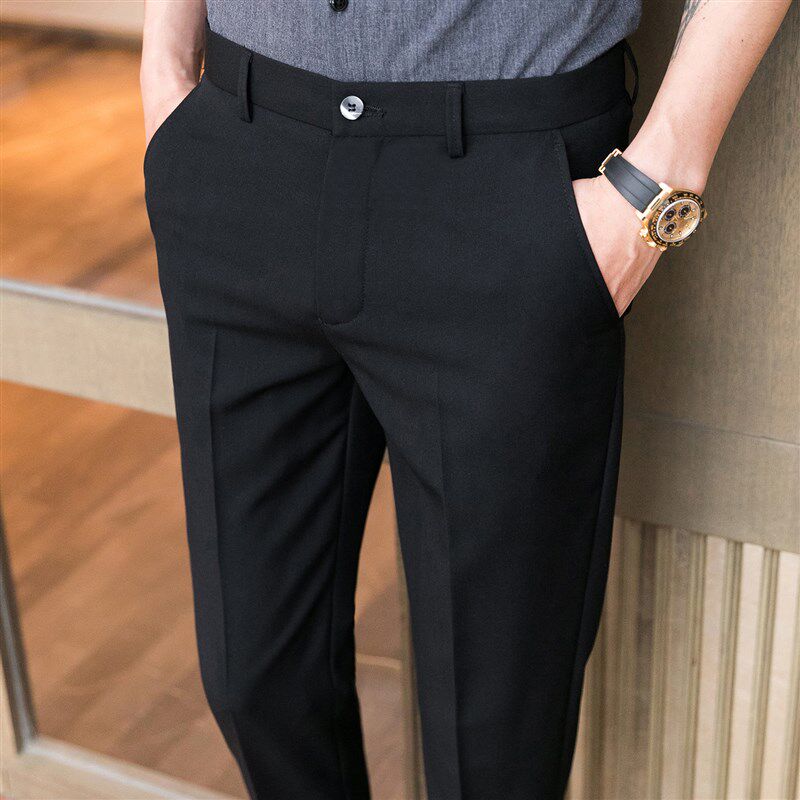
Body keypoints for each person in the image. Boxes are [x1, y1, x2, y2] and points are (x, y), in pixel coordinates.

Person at [140, 2, 791, 798]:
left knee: (495, 741)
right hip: (243, 150)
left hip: (508, 172)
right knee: (256, 685)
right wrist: (165, 68)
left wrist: (655, 188)